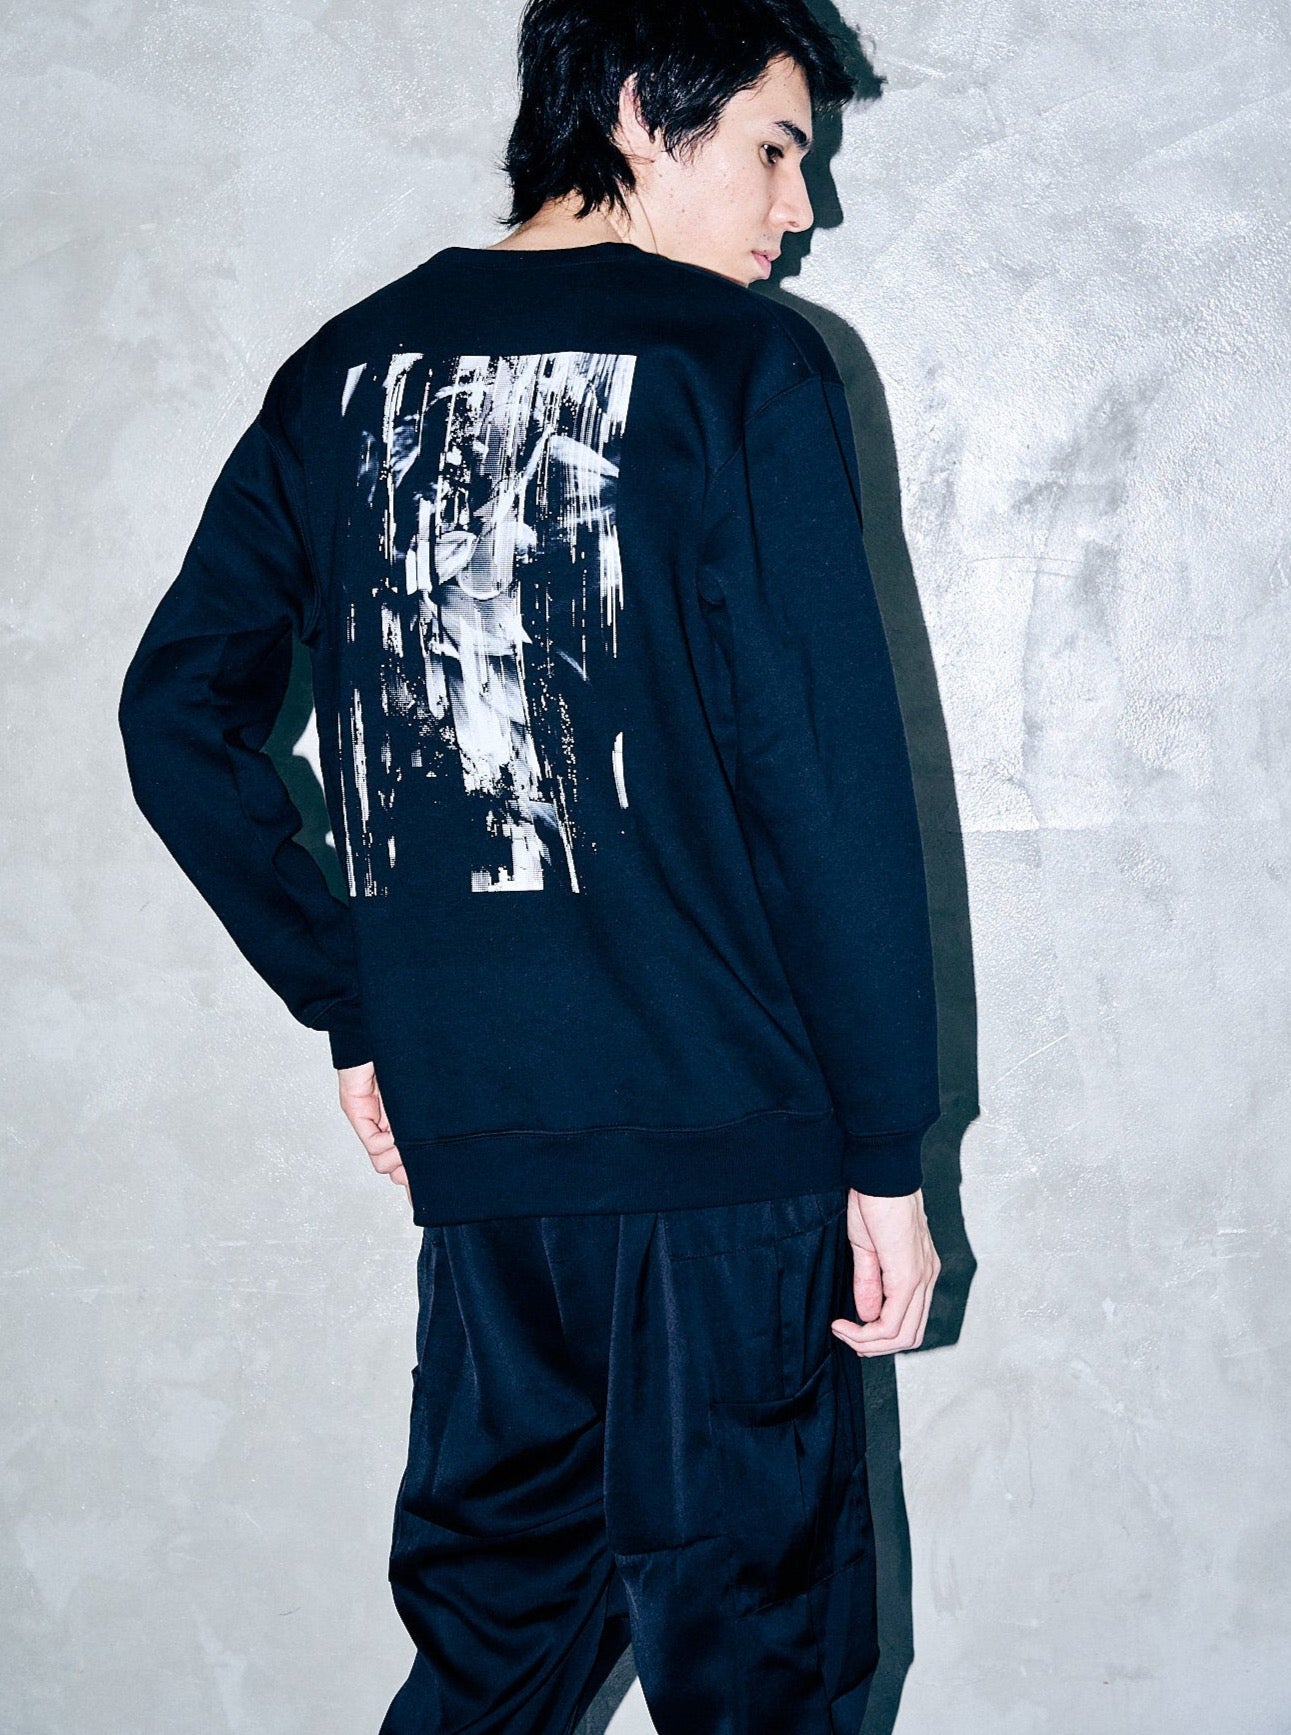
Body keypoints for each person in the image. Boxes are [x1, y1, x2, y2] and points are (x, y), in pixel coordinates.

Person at [117, 0, 943, 1727]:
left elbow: (176, 713)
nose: (800, 211)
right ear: (642, 111)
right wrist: (887, 1154)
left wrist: (355, 1001)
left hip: (488, 1160)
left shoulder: (344, 372)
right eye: (775, 150)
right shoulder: (741, 367)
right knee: (767, 1671)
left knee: (493, 1661)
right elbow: (826, 788)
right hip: (725, 1147)